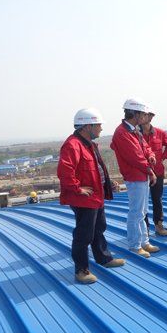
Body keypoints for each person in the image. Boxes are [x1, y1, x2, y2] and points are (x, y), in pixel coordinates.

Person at [57, 107, 125, 284]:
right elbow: (65, 171)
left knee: (99, 228)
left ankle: (104, 258)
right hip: (84, 199)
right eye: (98, 125)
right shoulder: (73, 145)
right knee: (84, 234)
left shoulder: (89, 144)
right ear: (87, 126)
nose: (101, 128)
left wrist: (107, 183)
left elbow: (95, 169)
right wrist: (77, 188)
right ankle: (81, 270)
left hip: (96, 196)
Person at [110, 98, 160, 258]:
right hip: (135, 176)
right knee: (136, 212)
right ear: (135, 114)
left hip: (141, 175)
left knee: (143, 211)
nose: (145, 117)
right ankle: (135, 245)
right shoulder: (122, 133)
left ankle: (144, 242)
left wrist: (151, 155)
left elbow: (145, 147)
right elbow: (135, 157)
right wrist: (150, 171)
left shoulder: (134, 130)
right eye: (143, 114)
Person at [141, 109, 167, 236]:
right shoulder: (134, 134)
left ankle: (159, 225)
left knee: (157, 199)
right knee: (142, 202)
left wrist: (163, 157)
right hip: (141, 173)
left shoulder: (160, 133)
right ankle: (144, 229)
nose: (144, 117)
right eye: (143, 114)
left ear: (151, 117)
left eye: (147, 115)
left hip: (158, 171)